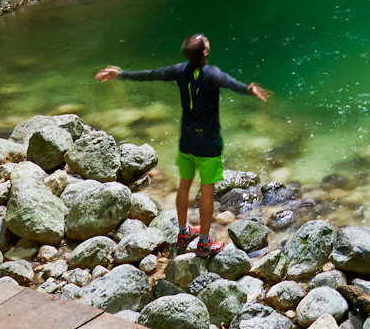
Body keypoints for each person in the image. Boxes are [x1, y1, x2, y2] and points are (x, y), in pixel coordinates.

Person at [96, 33, 269, 253]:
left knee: (185, 185)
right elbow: (233, 84)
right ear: (205, 52)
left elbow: (151, 75)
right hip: (209, 144)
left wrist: (121, 74)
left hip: (187, 142)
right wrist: (249, 89)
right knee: (207, 191)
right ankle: (205, 242)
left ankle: (183, 231)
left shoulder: (180, 70)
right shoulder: (213, 74)